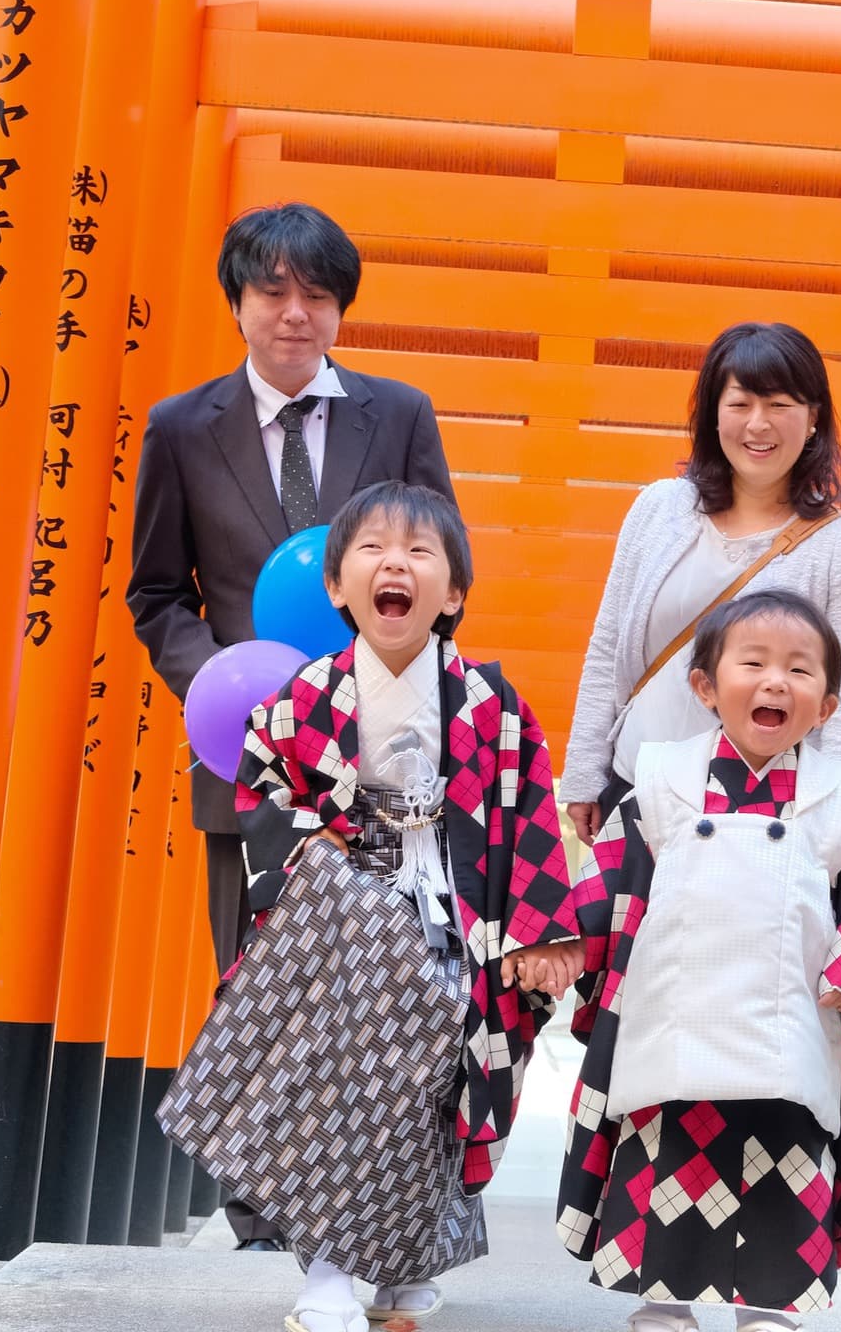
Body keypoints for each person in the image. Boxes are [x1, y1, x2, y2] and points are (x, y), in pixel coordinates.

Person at [225, 481, 584, 1332]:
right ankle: (331, 1270)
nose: (398, 563)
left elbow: (529, 810)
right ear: (337, 587)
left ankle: (406, 1260)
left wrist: (543, 932)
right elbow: (260, 793)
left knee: (443, 1086)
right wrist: (316, 845)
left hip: (454, 912)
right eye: (374, 549)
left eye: (422, 552)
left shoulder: (492, 707)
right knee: (335, 1079)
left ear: (454, 592)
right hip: (338, 911)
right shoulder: (303, 698)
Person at [127, 202, 457, 979]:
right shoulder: (179, 429)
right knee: (256, 995)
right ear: (237, 304)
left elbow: (447, 572)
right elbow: (158, 594)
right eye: (273, 293)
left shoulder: (401, 415)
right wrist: (223, 688)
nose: (296, 315)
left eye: (318, 296)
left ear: (341, 309)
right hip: (247, 758)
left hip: (382, 758)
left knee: (379, 992)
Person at [557, 590, 841, 1332]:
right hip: (675, 1019)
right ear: (706, 686)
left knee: (784, 1159)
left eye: (800, 671)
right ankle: (664, 1301)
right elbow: (607, 880)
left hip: (791, 1025)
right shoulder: (660, 778)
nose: (776, 681)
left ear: (828, 707)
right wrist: (562, 941)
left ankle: (771, 1308)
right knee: (673, 1152)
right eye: (754, 662)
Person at [560, 321, 841, 846]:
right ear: (714, 414)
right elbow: (607, 650)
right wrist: (584, 773)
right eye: (740, 404)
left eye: (779, 404)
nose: (758, 424)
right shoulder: (659, 509)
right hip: (635, 789)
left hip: (766, 819)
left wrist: (836, 829)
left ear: (813, 420)